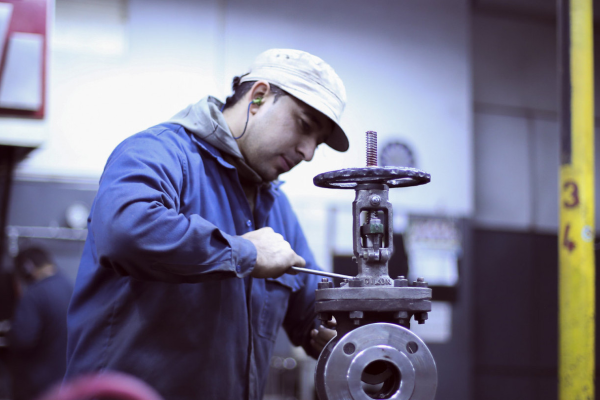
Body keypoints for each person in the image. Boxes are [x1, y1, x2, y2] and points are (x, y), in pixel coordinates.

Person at [65, 48, 347, 400]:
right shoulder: (160, 153)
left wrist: (331, 333)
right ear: (259, 97)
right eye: (304, 126)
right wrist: (245, 252)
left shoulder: (278, 208)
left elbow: (310, 309)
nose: (308, 152)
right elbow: (124, 233)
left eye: (317, 142)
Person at [7, 247, 73, 400]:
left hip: (38, 385)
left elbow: (22, 339)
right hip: (67, 381)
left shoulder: (35, 294)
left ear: (27, 267)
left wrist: (10, 333)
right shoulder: (71, 286)